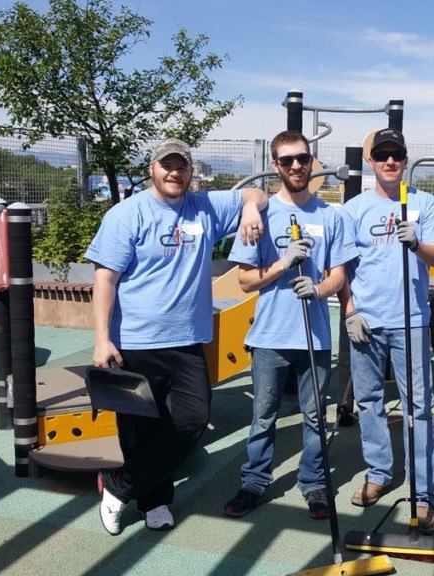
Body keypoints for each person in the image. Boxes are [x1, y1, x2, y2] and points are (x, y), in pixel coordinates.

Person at [88, 138, 267, 535]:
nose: (175, 173)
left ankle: (119, 485)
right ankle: (155, 502)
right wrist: (102, 339)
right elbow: (105, 280)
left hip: (186, 341)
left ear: (191, 171)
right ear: (152, 169)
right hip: (135, 341)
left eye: (182, 166)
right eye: (167, 165)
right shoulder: (126, 214)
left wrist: (251, 206)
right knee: (138, 430)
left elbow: (255, 192)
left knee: (191, 419)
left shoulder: (203, 206)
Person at [221, 130, 357, 519]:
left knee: (315, 417)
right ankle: (253, 482)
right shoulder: (261, 215)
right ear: (276, 166)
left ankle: (313, 483)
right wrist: (282, 264)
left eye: (302, 158)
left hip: (314, 336)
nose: (296, 166)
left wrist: (317, 290)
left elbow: (339, 275)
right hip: (270, 336)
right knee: (263, 416)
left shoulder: (331, 216)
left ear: (312, 161)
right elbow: (245, 280)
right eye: (287, 160)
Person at [338, 128, 434, 534]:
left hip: (411, 321)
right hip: (368, 321)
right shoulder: (353, 209)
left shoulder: (425, 203)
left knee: (418, 407)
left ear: (405, 159)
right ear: (371, 160)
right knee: (368, 401)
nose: (389, 161)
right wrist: (350, 310)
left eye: (397, 154)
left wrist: (417, 243)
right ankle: (379, 473)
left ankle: (423, 495)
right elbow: (343, 267)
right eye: (382, 154)